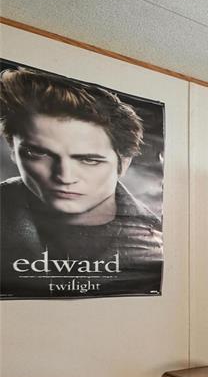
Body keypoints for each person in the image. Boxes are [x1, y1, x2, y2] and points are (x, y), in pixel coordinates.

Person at [0, 66, 163, 298]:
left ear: (123, 163)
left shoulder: (152, 238)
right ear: (13, 152)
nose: (64, 177)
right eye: (38, 154)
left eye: (88, 160)